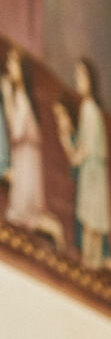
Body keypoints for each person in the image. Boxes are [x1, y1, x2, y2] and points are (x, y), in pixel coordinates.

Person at [0, 48, 64, 249]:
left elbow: (17, 133)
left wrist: (7, 95)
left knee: (24, 215)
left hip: (26, 165)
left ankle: (58, 237)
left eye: (14, 64)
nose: (10, 68)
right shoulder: (19, 96)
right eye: (9, 64)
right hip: (24, 161)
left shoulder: (23, 98)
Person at [53, 56, 111, 269]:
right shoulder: (89, 109)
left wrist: (69, 145)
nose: (77, 80)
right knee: (91, 223)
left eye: (81, 75)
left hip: (93, 175)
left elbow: (82, 153)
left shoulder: (89, 109)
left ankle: (90, 265)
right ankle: (91, 264)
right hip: (92, 174)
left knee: (91, 223)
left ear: (89, 79)